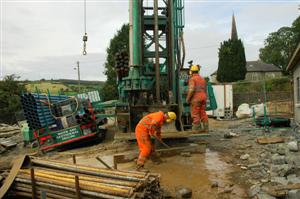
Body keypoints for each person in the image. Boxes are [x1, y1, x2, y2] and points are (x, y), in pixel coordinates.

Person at [186, 65, 208, 133]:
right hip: (204, 97)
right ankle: (206, 128)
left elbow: (191, 90)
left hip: (196, 98)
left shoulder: (192, 79)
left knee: (195, 114)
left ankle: (196, 129)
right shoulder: (203, 79)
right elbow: (205, 89)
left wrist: (188, 99)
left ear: (191, 72)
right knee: (203, 113)